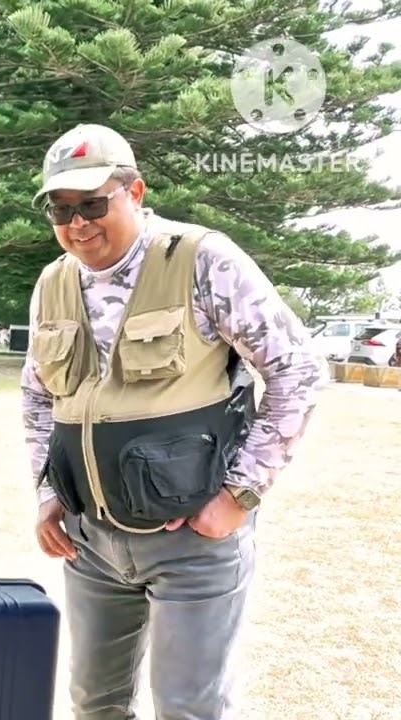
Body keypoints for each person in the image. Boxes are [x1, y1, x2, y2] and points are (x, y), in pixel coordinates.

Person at [21, 124, 328, 719]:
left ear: (135, 192)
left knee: (188, 708)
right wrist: (46, 492)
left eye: (93, 204)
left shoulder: (200, 259)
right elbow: (38, 398)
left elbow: (298, 371)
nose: (77, 223)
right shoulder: (53, 281)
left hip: (191, 543)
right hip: (92, 543)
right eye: (61, 209)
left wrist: (241, 494)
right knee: (93, 703)